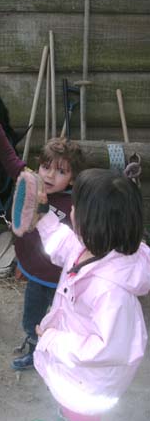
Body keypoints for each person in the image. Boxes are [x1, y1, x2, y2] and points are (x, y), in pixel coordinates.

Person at [32, 166, 150, 420]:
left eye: (76, 207)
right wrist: (42, 215)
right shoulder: (92, 246)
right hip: (73, 369)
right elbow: (61, 243)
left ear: (92, 222)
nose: (71, 211)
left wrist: (52, 339)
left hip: (87, 389)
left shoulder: (110, 291)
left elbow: (107, 349)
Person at [0, 100, 85, 371]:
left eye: (61, 171)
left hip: (63, 279)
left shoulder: (76, 205)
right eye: (46, 167)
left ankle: (61, 357)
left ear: (72, 179)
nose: (50, 175)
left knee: (63, 321)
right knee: (33, 318)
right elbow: (8, 157)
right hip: (36, 274)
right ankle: (34, 348)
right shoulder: (31, 183)